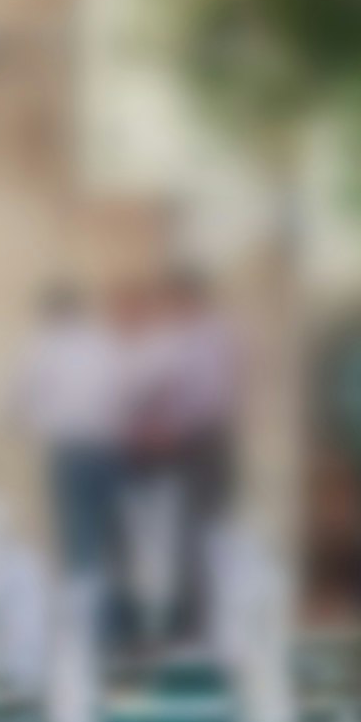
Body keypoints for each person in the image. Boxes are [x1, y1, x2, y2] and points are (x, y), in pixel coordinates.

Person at [119, 264, 245, 644]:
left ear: (186, 298)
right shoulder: (221, 334)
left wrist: (162, 423)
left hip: (195, 442)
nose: (167, 307)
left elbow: (174, 391)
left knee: (193, 533)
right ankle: (206, 619)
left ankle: (196, 622)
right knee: (202, 532)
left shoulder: (191, 339)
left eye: (171, 299)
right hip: (210, 440)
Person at [9, 283, 126, 592]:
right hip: (107, 446)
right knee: (106, 532)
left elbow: (17, 396)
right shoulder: (102, 342)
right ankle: (107, 612)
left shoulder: (44, 346)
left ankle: (82, 609)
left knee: (77, 532)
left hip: (71, 448)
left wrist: (31, 424)